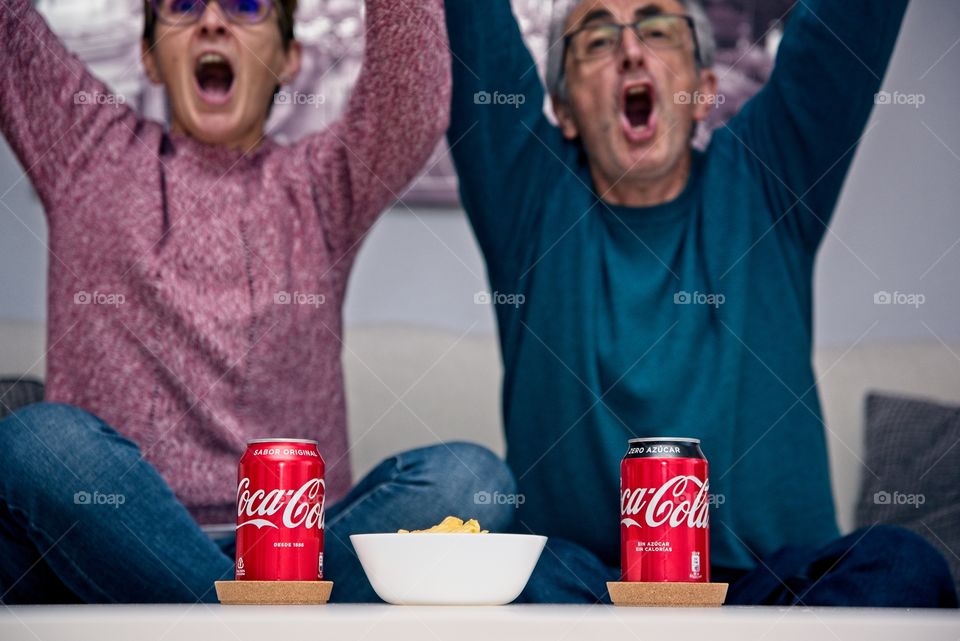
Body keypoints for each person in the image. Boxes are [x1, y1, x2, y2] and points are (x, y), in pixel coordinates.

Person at [0, 0, 516, 604]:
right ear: (149, 56)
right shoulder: (83, 152)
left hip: (301, 553)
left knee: (473, 480)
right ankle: (252, 618)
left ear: (289, 58)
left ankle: (208, 608)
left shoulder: (325, 186)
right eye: (182, 6)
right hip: (109, 537)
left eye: (248, 7)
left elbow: (411, 95)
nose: (212, 22)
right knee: (39, 441)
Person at [444, 0, 958, 606]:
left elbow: (847, 25)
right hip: (583, 592)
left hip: (768, 592)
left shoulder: (769, 178)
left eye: (659, 30)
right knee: (505, 575)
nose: (632, 50)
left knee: (903, 564)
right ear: (564, 109)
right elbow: (470, 27)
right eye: (597, 40)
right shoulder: (531, 201)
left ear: (704, 90)